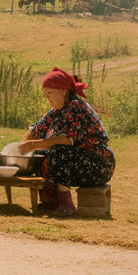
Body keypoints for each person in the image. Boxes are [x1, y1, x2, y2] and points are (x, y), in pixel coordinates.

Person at [14, 67, 114, 217]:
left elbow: (67, 140)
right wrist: (22, 147)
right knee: (40, 154)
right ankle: (50, 202)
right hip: (78, 163)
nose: (47, 98)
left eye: (50, 93)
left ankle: (66, 204)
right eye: (45, 94)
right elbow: (33, 131)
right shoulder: (55, 113)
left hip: (99, 164)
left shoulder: (76, 107)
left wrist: (33, 145)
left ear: (63, 90)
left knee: (59, 151)